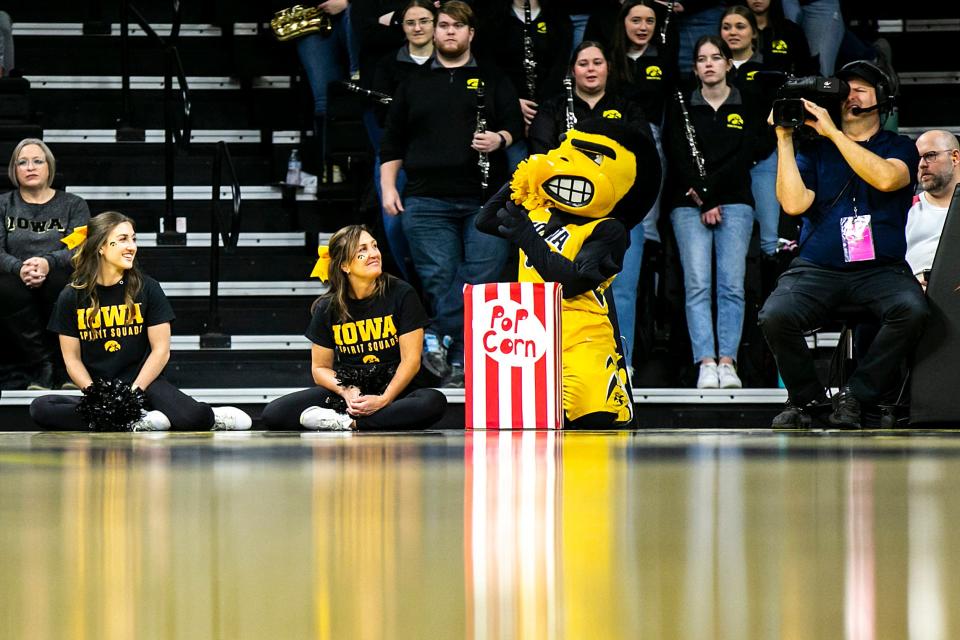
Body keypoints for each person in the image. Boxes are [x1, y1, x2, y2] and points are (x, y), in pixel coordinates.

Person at [758, 60, 928, 429]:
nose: (851, 92)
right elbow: (793, 203)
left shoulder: (899, 145)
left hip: (880, 268)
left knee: (912, 309)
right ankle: (809, 400)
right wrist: (784, 139)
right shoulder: (815, 151)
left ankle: (857, 394)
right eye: (846, 86)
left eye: (862, 87)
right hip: (818, 267)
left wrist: (836, 134)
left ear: (883, 98)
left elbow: (886, 179)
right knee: (775, 314)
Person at [380, 0, 523, 387]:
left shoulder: (495, 79)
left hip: (487, 200)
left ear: (470, 33)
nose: (448, 32)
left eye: (457, 27)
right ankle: (458, 355)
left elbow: (516, 127)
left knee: (480, 278)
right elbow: (391, 143)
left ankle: (440, 341)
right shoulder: (412, 82)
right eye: (443, 25)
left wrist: (500, 138)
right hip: (427, 200)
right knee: (440, 278)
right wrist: (388, 188)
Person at [29, 211, 252, 431]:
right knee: (41, 408)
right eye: (123, 239)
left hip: (147, 385)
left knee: (195, 418)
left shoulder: (148, 288)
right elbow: (72, 360)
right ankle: (134, 420)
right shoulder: (71, 296)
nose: (132, 246)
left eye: (134, 239)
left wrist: (133, 394)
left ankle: (211, 416)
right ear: (101, 247)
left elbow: (161, 351)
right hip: (103, 389)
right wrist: (97, 395)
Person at [261, 225, 447, 430]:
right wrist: (347, 390)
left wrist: (385, 399)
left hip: (397, 391)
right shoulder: (328, 307)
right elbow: (319, 368)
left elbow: (411, 361)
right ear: (345, 266)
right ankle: (363, 421)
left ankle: (348, 423)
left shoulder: (402, 294)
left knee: (433, 402)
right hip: (353, 391)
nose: (373, 254)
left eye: (374, 246)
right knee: (274, 414)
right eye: (362, 251)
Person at [664, 36, 760, 389]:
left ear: (727, 64)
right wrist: (703, 199)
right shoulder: (682, 104)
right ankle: (705, 361)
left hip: (734, 200)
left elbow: (746, 153)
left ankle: (728, 362)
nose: (709, 64)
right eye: (702, 59)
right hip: (688, 204)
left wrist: (711, 193)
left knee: (732, 286)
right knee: (698, 285)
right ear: (695, 68)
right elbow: (677, 151)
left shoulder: (744, 102)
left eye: (716, 58)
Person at [607, 0, 676, 374]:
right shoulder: (610, 60)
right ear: (624, 23)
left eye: (650, 20)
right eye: (636, 19)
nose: (643, 26)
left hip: (648, 144)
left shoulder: (661, 59)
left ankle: (647, 238)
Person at [0, 139, 90, 390]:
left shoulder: (74, 204)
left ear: (49, 167)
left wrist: (48, 263)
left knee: (63, 283)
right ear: (14, 170)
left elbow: (78, 247)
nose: (31, 167)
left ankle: (65, 368)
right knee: (5, 286)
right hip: (14, 276)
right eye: (23, 162)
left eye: (38, 161)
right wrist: (20, 268)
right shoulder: (3, 204)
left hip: (59, 274)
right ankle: (42, 366)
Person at [369, 0, 438, 280]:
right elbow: (381, 116)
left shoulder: (451, 62)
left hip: (442, 154)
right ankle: (409, 285)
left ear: (436, 25)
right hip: (399, 152)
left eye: (424, 21)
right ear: (402, 28)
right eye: (411, 22)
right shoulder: (387, 64)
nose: (418, 28)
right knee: (394, 223)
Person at [475, 0, 573, 169]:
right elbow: (491, 67)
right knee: (515, 169)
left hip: (548, 107)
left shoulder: (557, 17)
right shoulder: (492, 18)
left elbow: (560, 66)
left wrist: (538, 110)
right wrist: (513, 102)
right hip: (508, 109)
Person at [720, 5, 780, 258]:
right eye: (726, 27)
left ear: (754, 33)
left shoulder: (768, 68)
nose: (733, 32)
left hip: (763, 160)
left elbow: (774, 117)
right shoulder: (713, 69)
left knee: (770, 240)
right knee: (730, 240)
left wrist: (755, 151)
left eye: (740, 26)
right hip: (725, 162)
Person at [906, 130, 960, 287]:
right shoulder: (906, 210)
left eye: (930, 155)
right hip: (915, 295)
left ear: (955, 157)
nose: (922, 164)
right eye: (918, 159)